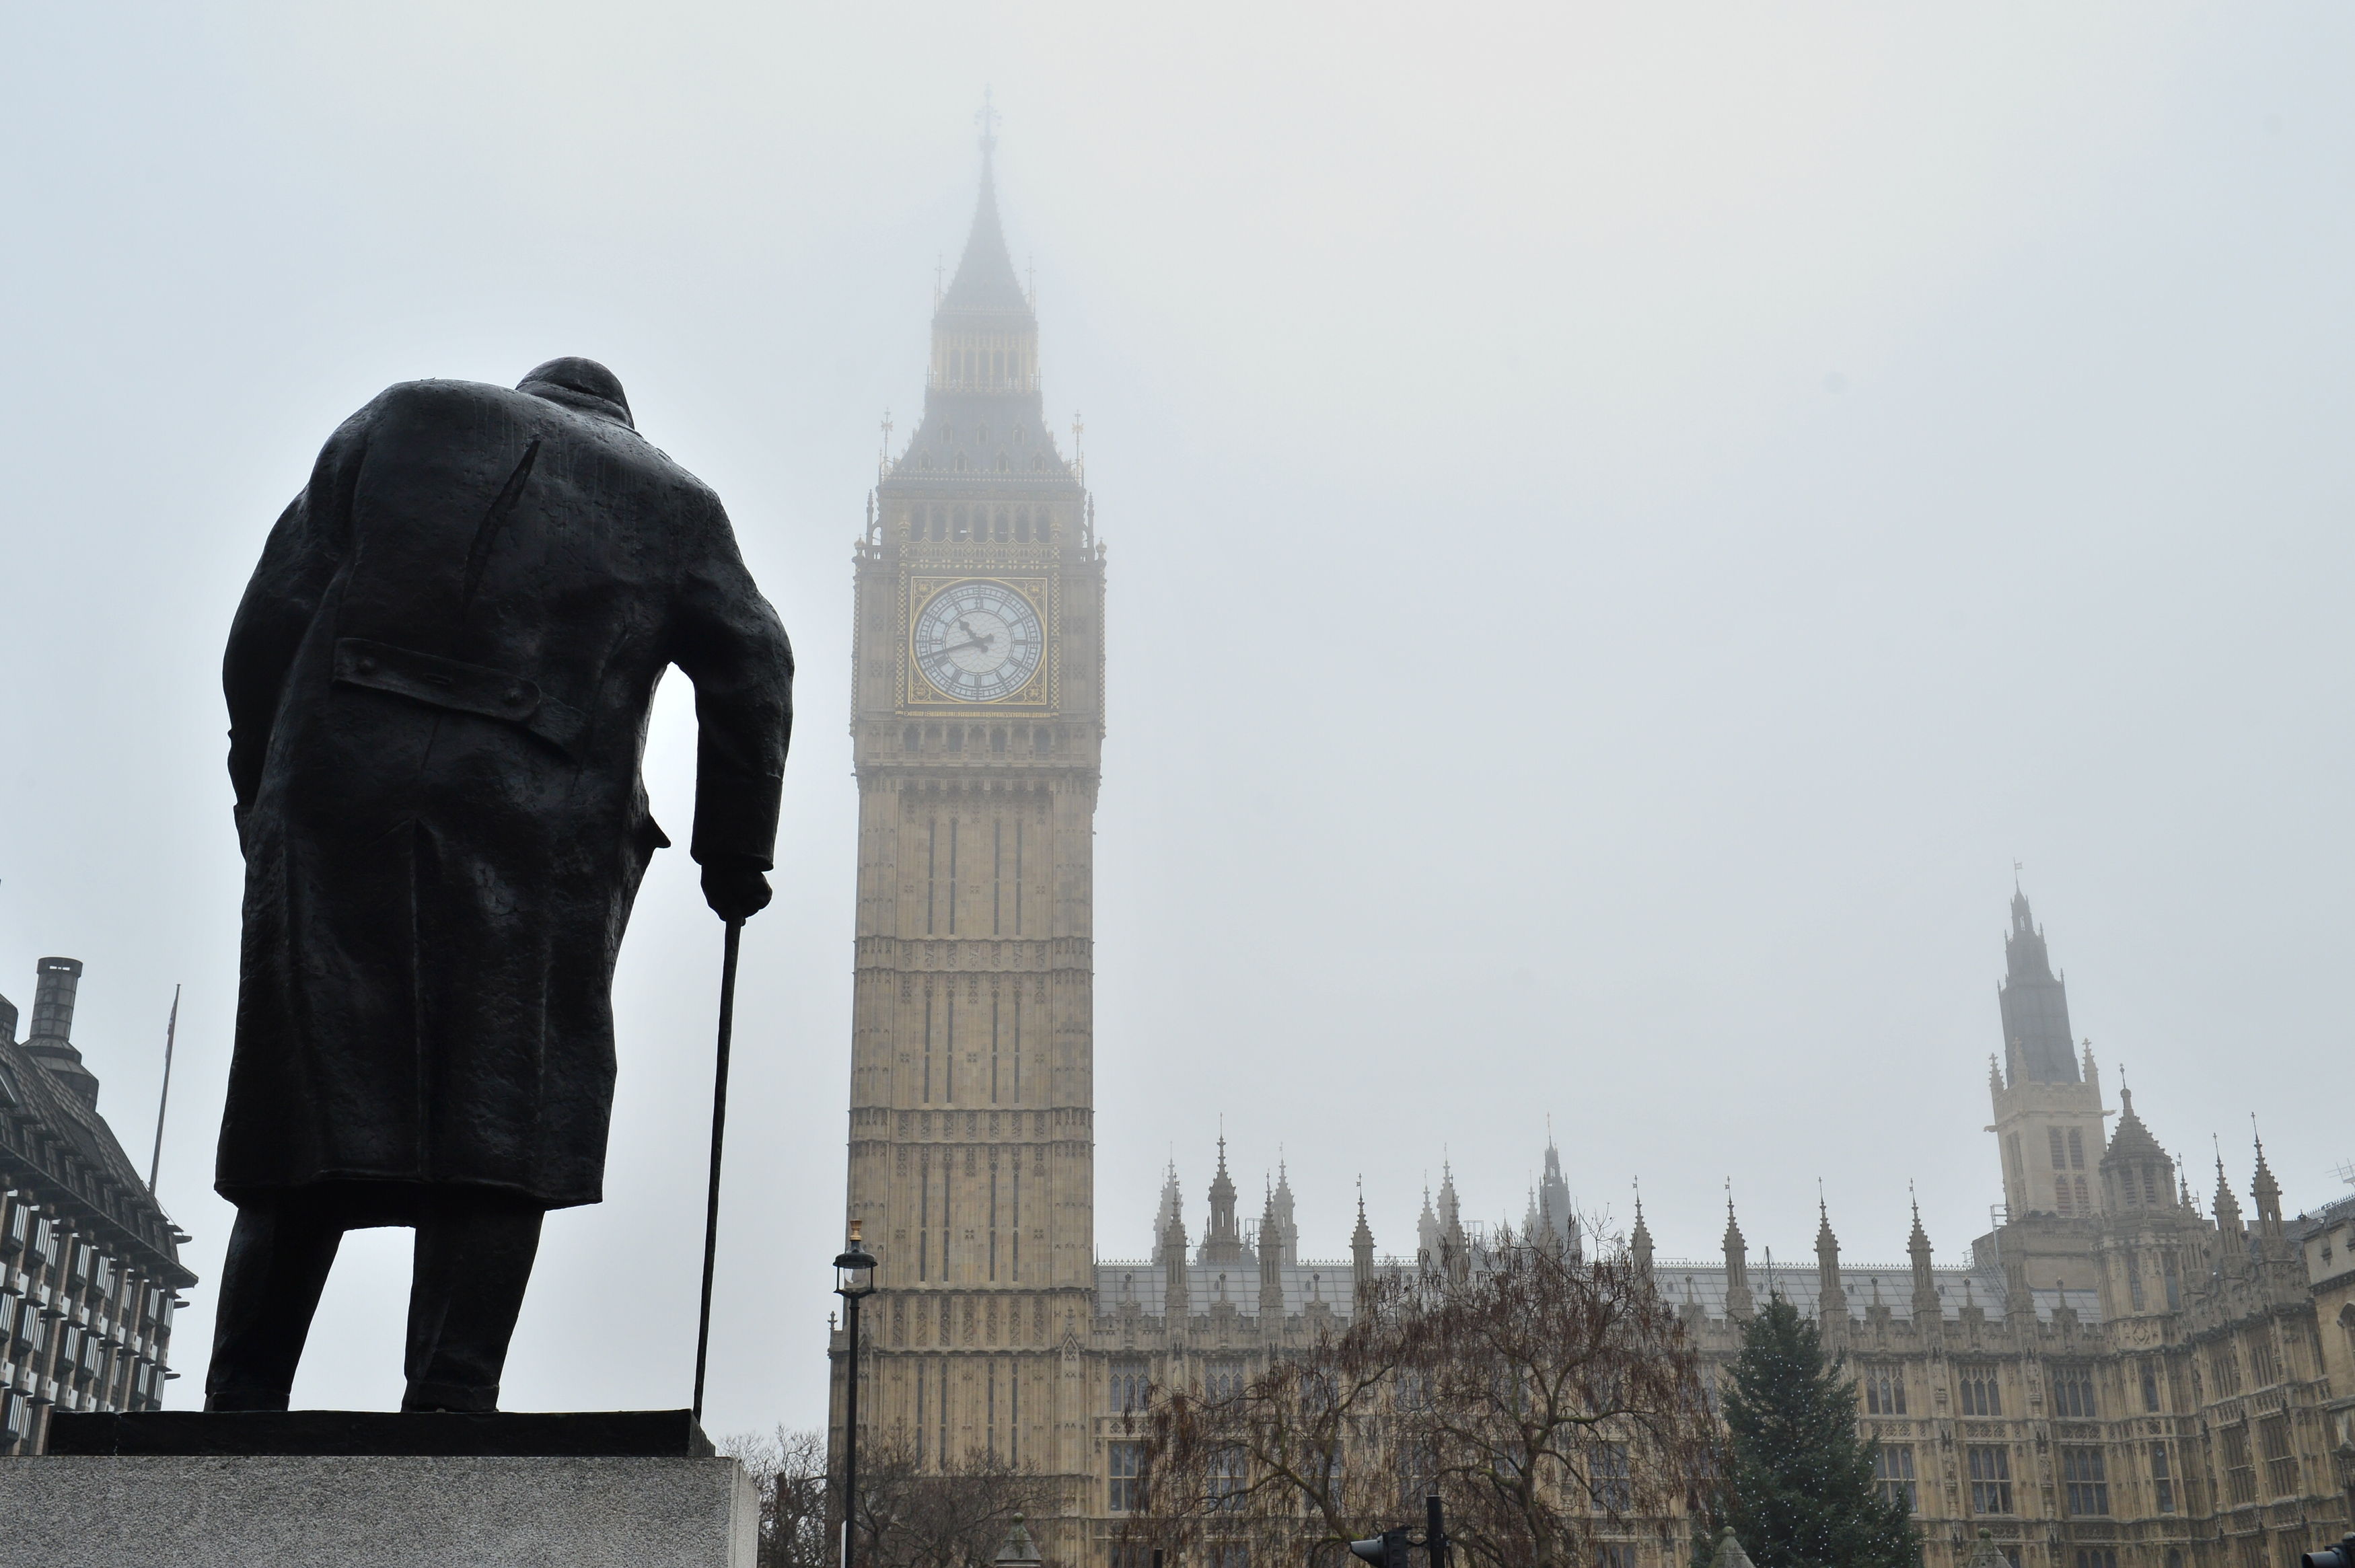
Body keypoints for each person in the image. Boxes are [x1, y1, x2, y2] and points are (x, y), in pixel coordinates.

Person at [206, 357, 792, 1413]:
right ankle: (452, 1391)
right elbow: (756, 659)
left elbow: (272, 610)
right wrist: (734, 851)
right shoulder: (677, 502)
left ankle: (243, 1393)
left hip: (337, 789)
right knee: (505, 1106)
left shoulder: (405, 412)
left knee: (306, 1093)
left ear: (531, 393)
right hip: (537, 822)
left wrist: (264, 782)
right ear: (618, 419)